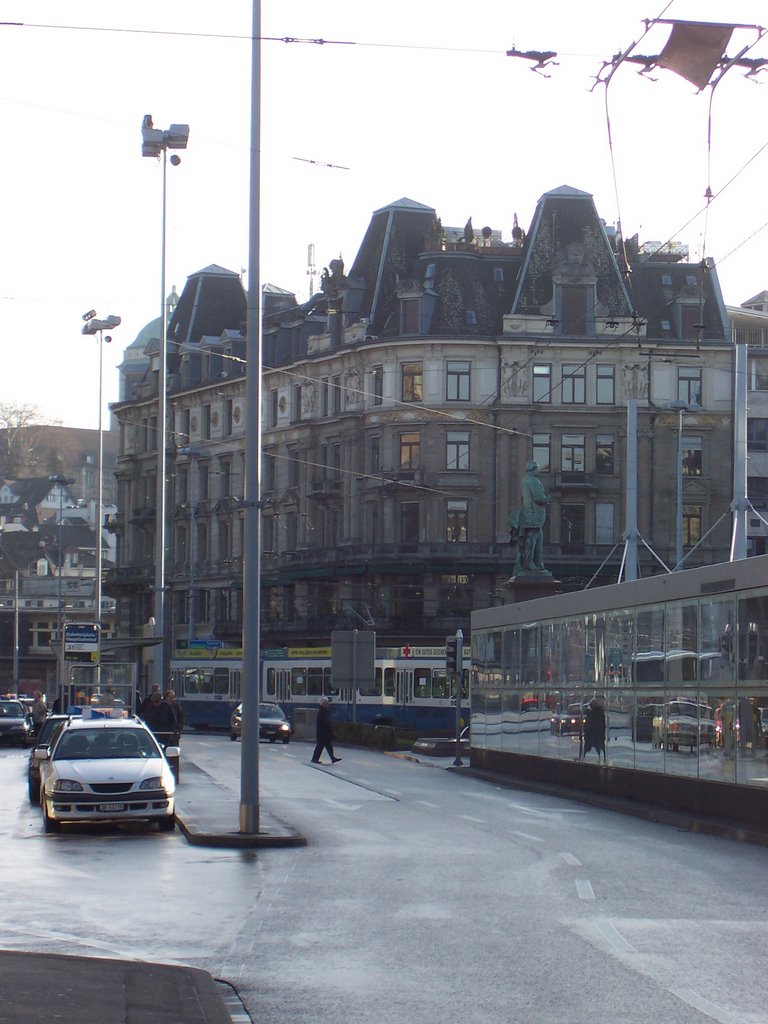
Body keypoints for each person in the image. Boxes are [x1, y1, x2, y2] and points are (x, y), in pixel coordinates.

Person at [311, 697, 341, 765]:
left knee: (327, 746)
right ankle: (315, 759)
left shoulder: (323, 711)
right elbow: (325, 723)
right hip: (323, 733)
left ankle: (332, 758)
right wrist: (330, 730)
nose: (327, 705)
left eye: (327, 703)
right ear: (323, 704)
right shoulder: (322, 712)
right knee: (321, 746)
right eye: (326, 703)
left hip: (323, 733)